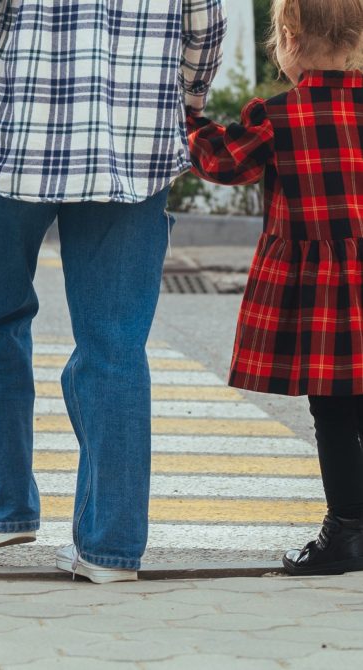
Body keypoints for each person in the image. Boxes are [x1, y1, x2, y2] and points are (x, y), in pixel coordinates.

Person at [0, 1, 227, 582]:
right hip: (134, 146)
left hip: (10, 140)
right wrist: (185, 93)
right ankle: (110, 549)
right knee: (115, 348)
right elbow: (204, 28)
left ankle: (1, 508)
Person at [188, 0, 363, 575]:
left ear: (288, 36)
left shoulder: (279, 116)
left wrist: (186, 115)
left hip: (327, 294)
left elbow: (221, 161)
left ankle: (347, 534)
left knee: (334, 412)